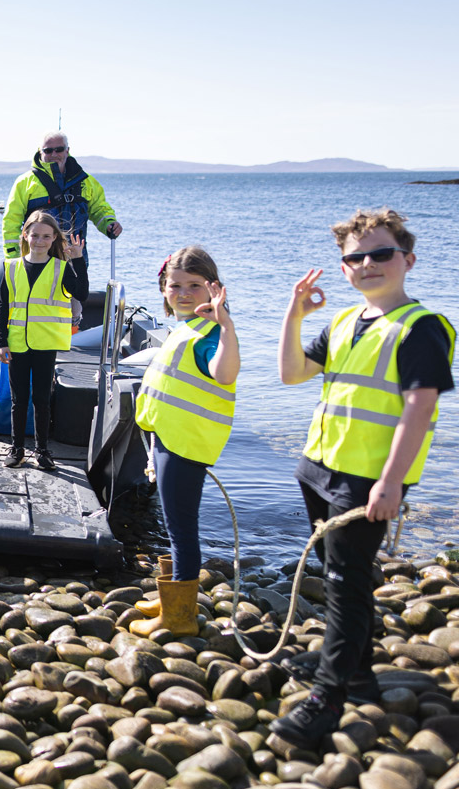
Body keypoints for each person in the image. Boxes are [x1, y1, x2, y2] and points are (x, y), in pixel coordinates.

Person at [270, 208, 455, 749]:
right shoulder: (347, 322)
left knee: (347, 582)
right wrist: (295, 312)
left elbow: (418, 409)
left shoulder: (421, 328)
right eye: (356, 257)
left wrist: (391, 482)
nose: (368, 263)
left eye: (381, 253)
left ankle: (328, 699)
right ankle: (356, 673)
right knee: (337, 576)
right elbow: (290, 374)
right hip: (319, 467)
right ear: (344, 268)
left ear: (408, 260)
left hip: (369, 477)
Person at [129, 247, 240, 638]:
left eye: (195, 285)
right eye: (175, 285)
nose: (184, 293)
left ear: (215, 290)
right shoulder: (186, 328)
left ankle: (179, 616)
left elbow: (223, 373)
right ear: (163, 289)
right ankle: (169, 594)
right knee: (173, 522)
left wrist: (226, 327)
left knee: (181, 528)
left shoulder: (211, 334)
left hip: (186, 445)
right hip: (168, 439)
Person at [0, 210, 88, 470]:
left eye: (46, 236)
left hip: (46, 344)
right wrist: (1, 341)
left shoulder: (61, 268)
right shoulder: (11, 267)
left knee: (42, 399)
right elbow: (3, 306)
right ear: (25, 235)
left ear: (54, 239)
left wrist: (78, 260)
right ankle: (16, 449)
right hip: (17, 344)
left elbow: (81, 292)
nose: (40, 241)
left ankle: (43, 451)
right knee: (18, 399)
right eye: (35, 235)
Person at [2, 131, 123, 263]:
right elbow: (11, 222)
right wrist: (13, 260)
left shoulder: (86, 181)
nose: (54, 154)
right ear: (40, 151)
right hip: (38, 261)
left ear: (67, 150)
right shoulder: (24, 183)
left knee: (77, 284)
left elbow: (99, 209)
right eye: (48, 150)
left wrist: (109, 223)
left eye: (59, 149)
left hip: (76, 258)